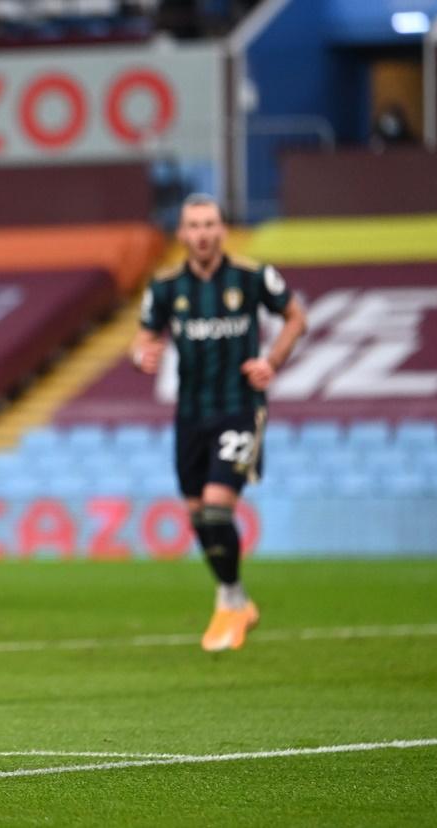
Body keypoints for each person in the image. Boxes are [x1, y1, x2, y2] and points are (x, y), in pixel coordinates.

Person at [130, 193, 306, 653]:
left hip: (239, 407)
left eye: (211, 224)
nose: (203, 233)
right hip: (189, 414)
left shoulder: (251, 276)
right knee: (198, 518)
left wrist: (273, 359)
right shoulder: (166, 286)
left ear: (222, 230)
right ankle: (238, 600)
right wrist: (140, 353)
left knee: (214, 507)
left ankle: (229, 600)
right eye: (194, 225)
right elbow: (144, 336)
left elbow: (295, 317)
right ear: (182, 234)